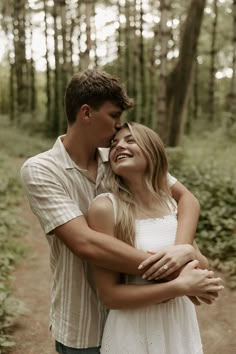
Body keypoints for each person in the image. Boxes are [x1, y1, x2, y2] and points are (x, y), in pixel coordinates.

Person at [20, 69, 213, 354]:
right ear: (86, 113)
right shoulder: (42, 169)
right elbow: (86, 243)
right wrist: (176, 274)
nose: (118, 127)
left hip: (148, 317)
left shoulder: (117, 160)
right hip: (85, 323)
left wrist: (184, 250)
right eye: (113, 116)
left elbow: (186, 198)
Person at [88, 122, 223, 354]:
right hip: (134, 329)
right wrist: (179, 287)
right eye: (113, 143)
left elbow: (201, 267)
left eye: (130, 140)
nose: (119, 146)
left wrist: (189, 252)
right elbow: (110, 296)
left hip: (179, 324)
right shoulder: (105, 207)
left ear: (152, 150)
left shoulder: (171, 204)